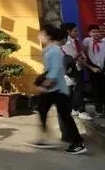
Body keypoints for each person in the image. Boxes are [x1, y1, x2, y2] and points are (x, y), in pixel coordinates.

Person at [27, 25, 87, 154]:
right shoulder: (50, 50)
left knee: (65, 117)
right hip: (52, 90)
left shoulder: (54, 51)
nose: (39, 36)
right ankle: (44, 139)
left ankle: (78, 144)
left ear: (48, 36)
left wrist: (43, 86)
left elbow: (54, 72)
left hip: (58, 90)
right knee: (43, 111)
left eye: (41, 34)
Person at [60, 22, 92, 120]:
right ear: (68, 31)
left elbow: (80, 51)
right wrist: (89, 66)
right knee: (77, 90)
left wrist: (84, 56)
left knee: (77, 90)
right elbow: (73, 56)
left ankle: (75, 109)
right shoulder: (66, 42)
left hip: (79, 68)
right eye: (75, 31)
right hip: (72, 70)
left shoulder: (76, 40)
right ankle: (82, 111)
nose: (77, 32)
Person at [83, 24, 105, 118]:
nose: (96, 33)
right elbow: (84, 55)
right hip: (93, 69)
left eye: (97, 31)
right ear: (89, 33)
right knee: (96, 91)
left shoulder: (104, 42)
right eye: (93, 32)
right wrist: (91, 67)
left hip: (103, 69)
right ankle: (98, 111)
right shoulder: (87, 41)